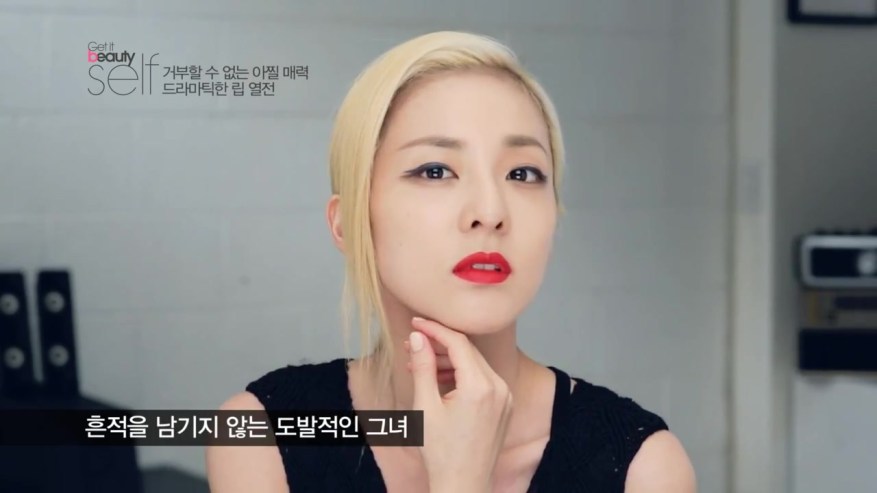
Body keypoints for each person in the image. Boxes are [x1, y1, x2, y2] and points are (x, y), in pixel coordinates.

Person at [206, 31, 696, 493]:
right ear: (348, 223)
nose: (490, 211)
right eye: (436, 170)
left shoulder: (645, 468)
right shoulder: (260, 436)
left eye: (523, 173)